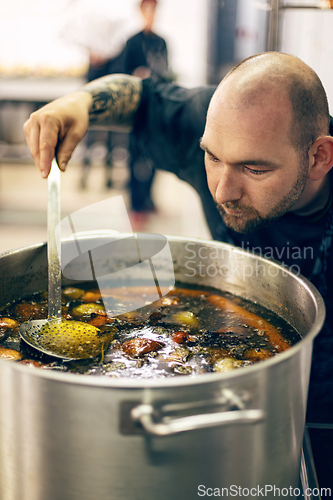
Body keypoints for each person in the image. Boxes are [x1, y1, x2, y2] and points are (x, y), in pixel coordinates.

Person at [24, 52, 333, 424]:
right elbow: (140, 97)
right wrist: (78, 103)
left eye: (254, 169)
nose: (223, 191)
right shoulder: (220, 122)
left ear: (319, 157)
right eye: (213, 158)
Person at [123, 0, 170, 215]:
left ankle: (149, 197)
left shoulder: (161, 42)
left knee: (155, 153)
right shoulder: (132, 42)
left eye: (154, 9)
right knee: (136, 154)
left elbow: (166, 72)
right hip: (138, 107)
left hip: (156, 106)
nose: (151, 14)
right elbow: (122, 73)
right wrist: (136, 76)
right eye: (147, 9)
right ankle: (136, 201)